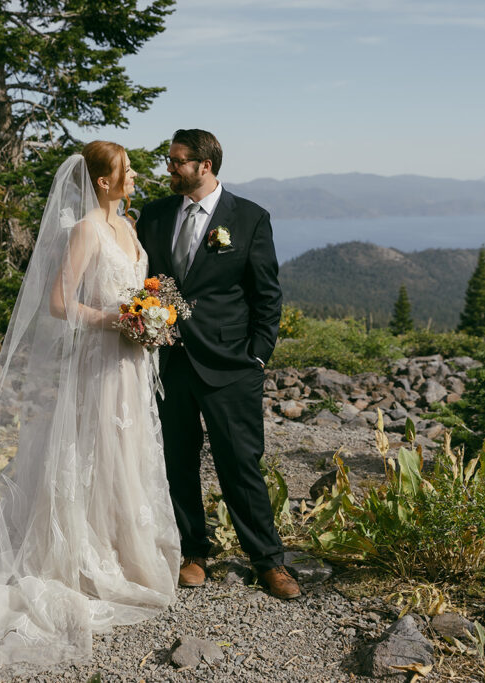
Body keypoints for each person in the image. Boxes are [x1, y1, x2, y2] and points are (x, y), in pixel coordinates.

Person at [0, 142, 180, 678]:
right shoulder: (86, 231)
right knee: (93, 449)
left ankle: (126, 552)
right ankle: (82, 555)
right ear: (103, 181)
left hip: (130, 365)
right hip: (99, 360)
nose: (135, 178)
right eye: (127, 172)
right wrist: (116, 319)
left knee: (127, 451)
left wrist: (152, 317)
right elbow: (59, 303)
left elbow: (140, 288)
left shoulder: (128, 229)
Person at [137, 129, 302, 600]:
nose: (169, 168)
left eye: (177, 161)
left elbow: (267, 295)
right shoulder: (153, 215)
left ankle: (269, 561)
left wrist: (257, 355)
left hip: (231, 365)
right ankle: (192, 552)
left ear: (204, 165)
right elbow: (146, 280)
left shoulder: (249, 218)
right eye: (169, 160)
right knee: (177, 461)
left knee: (240, 464)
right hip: (170, 360)